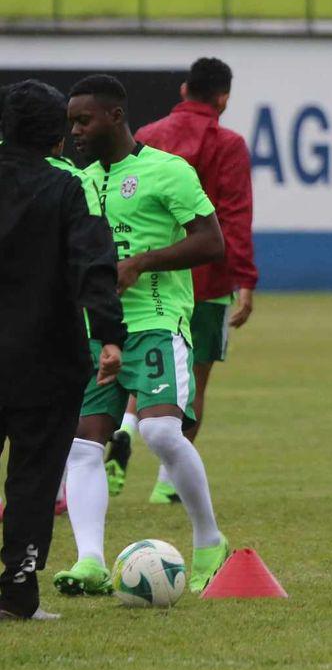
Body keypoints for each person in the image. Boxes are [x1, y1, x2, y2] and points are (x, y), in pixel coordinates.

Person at [54, 74, 231, 597]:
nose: (76, 131)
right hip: (95, 331)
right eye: (70, 123)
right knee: (84, 445)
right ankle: (89, 561)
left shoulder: (167, 171)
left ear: (114, 115)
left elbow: (211, 241)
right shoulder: (77, 182)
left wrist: (142, 262)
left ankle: (208, 540)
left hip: (156, 320)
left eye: (83, 120)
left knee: (158, 433)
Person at [0, 81, 126, 621]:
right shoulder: (66, 190)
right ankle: (17, 592)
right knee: (32, 476)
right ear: (56, 134)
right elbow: (92, 265)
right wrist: (110, 334)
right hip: (45, 360)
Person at [119, 57, 259, 504]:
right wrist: (245, 279)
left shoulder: (147, 136)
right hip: (205, 280)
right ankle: (167, 485)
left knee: (141, 368)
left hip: (149, 278)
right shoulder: (229, 143)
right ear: (223, 98)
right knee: (192, 382)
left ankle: (122, 430)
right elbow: (234, 215)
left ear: (184, 90)